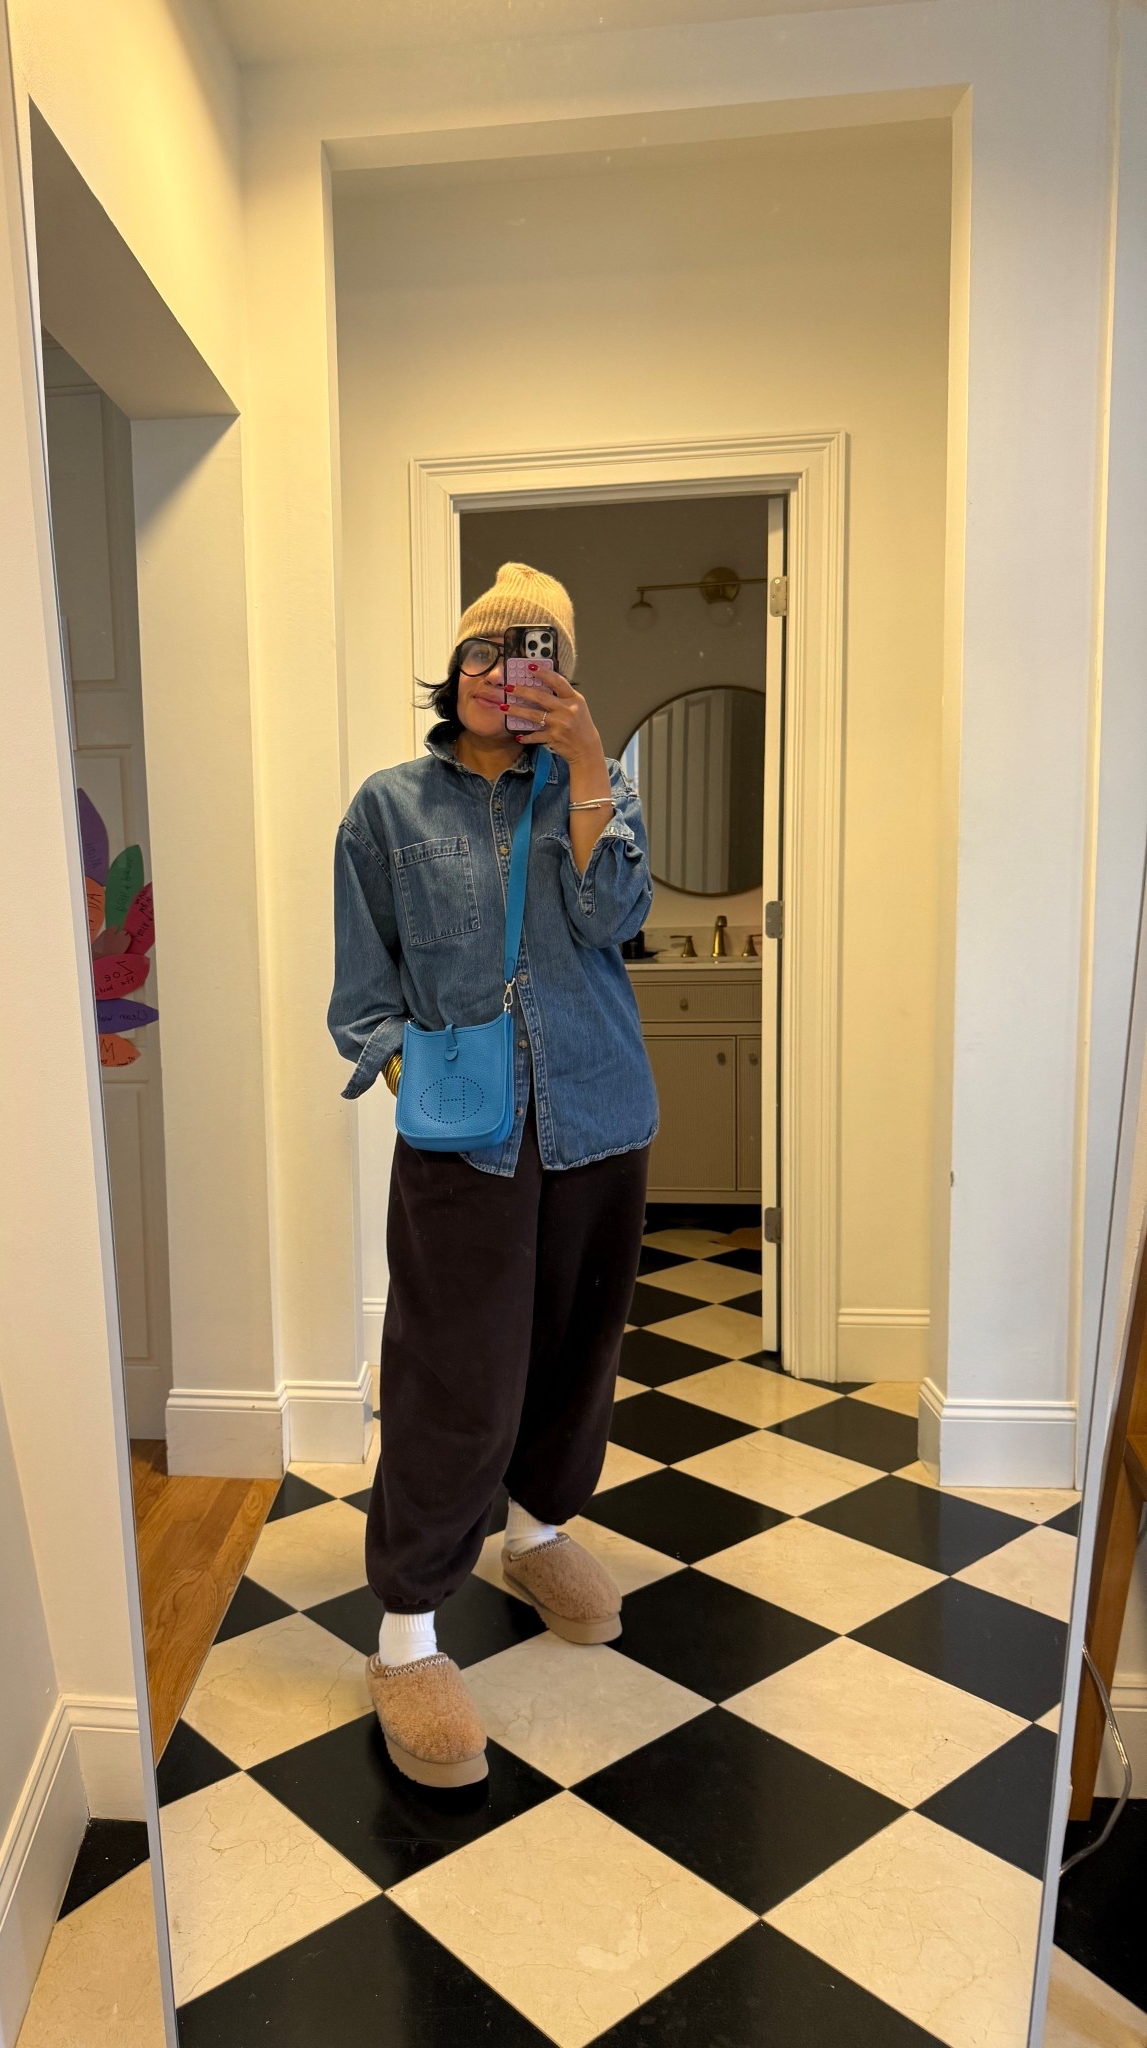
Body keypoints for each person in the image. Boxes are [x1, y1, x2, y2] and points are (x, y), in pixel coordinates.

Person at [328, 562, 659, 1787]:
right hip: (462, 1134)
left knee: (576, 1345)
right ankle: (408, 1629)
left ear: (559, 674)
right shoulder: (387, 807)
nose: (498, 671)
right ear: (455, 667)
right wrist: (409, 1069)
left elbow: (615, 916)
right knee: (451, 1366)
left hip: (599, 1108)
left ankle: (538, 1529)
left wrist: (588, 764)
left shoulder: (596, 786)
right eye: (483, 649)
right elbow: (362, 989)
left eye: (529, 652)